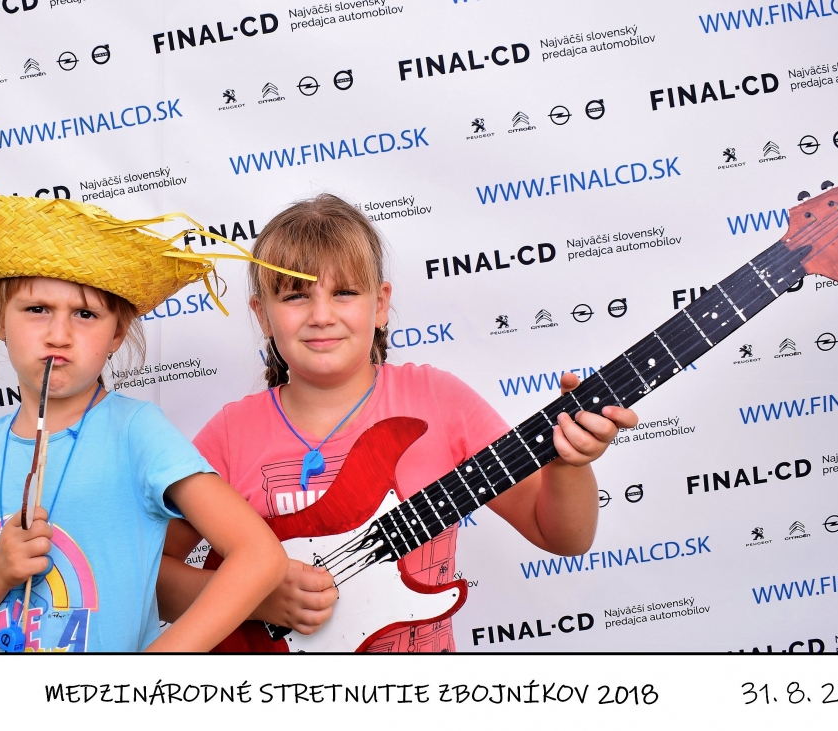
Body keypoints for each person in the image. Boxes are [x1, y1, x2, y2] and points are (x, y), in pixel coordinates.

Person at [158, 194, 637, 651]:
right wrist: (256, 599)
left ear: (381, 304)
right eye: (296, 296)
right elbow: (151, 576)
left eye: (344, 292)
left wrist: (569, 463)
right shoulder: (230, 434)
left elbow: (562, 537)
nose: (321, 316)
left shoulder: (439, 402)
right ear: (262, 315)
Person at [0, 147, 287, 652]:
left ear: (116, 333)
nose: (58, 334)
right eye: (37, 309)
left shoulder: (136, 431)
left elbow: (259, 556)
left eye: (85, 315)